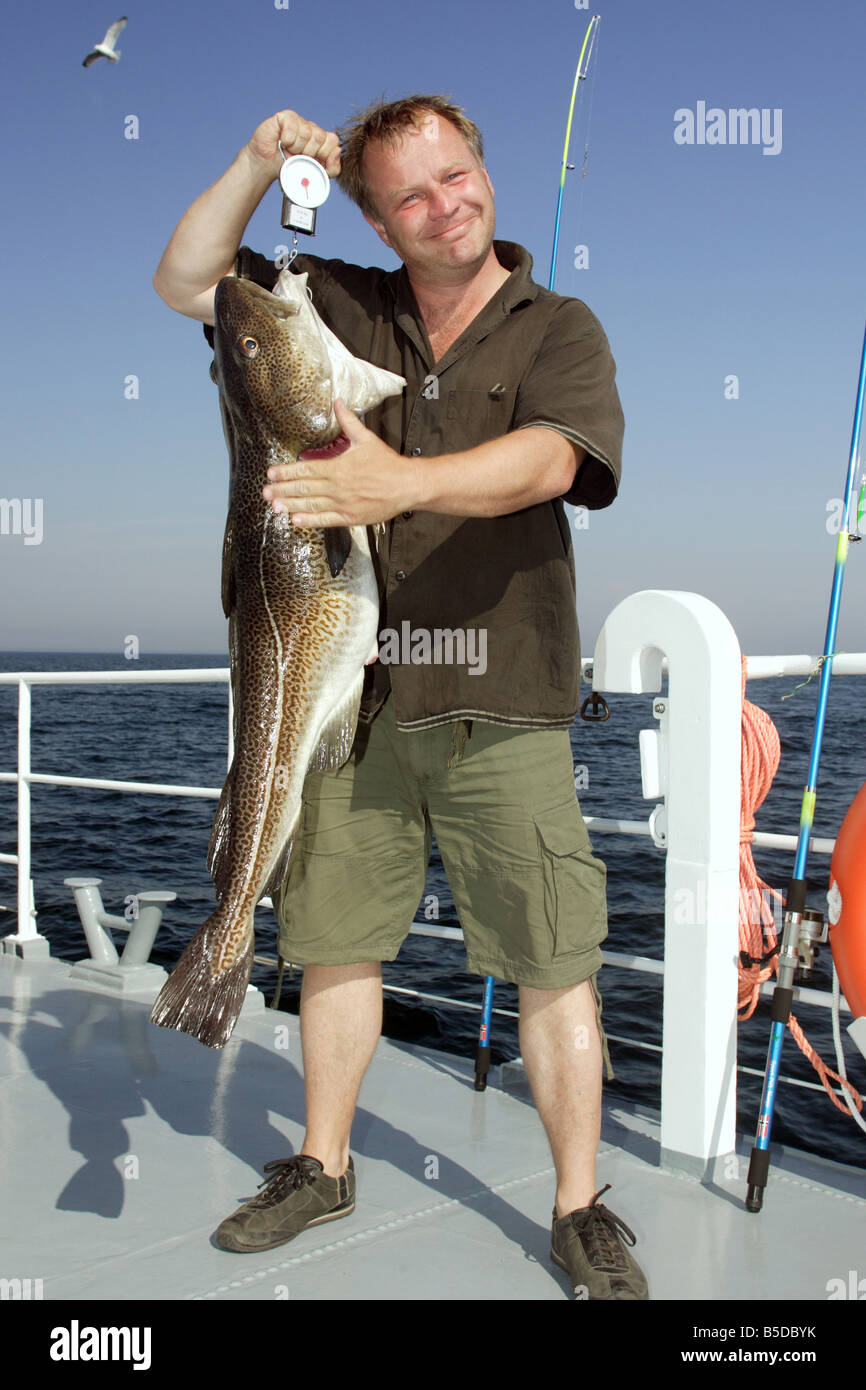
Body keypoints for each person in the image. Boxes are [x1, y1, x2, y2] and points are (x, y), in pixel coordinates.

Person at [153, 95, 648, 1300]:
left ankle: (579, 1206)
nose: (446, 203)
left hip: (505, 697)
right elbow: (188, 281)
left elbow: (556, 458)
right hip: (350, 712)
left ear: (484, 169)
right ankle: (321, 1164)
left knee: (550, 959)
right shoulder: (334, 303)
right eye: (413, 194)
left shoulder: (555, 324)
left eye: (458, 173)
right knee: (331, 949)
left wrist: (392, 481)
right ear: (377, 218)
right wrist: (254, 160)